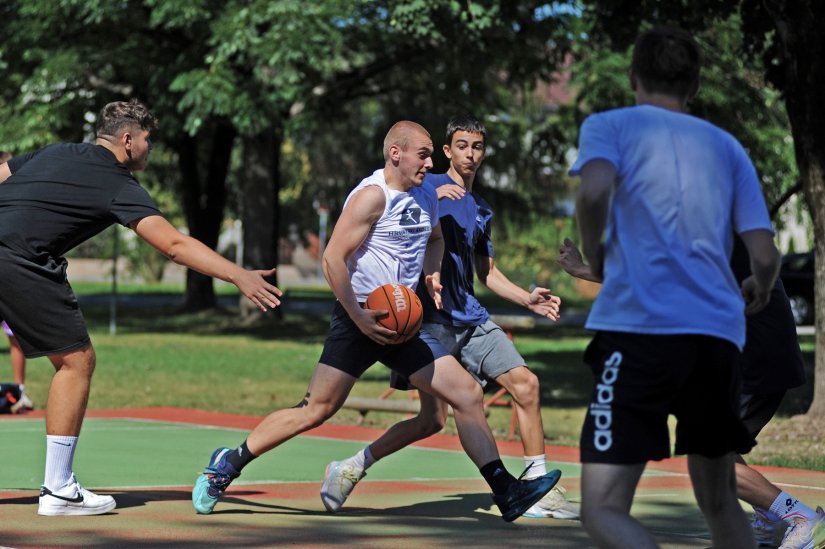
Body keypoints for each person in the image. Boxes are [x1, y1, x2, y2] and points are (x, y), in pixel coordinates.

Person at [190, 121, 561, 522]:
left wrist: (432, 274)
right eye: (423, 154)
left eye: (432, 154)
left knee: (468, 394)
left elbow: (435, 238)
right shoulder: (371, 197)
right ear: (395, 154)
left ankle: (505, 491)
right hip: (359, 316)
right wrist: (357, 316)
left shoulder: (426, 198)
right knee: (317, 408)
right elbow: (332, 259)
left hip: (403, 322)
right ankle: (228, 463)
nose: (430, 162)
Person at [0, 99, 283, 516]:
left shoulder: (58, 151)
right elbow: (173, 245)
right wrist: (237, 275)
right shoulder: (116, 182)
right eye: (148, 140)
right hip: (19, 258)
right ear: (128, 140)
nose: (151, 149)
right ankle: (58, 489)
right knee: (76, 361)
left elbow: (2, 173)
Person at [569, 27, 782, 548]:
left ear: (633, 76)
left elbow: (594, 191)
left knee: (601, 508)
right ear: (696, 83)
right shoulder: (728, 147)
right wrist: (762, 285)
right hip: (716, 339)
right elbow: (765, 253)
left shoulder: (610, 124)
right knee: (718, 502)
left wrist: (594, 255)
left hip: (639, 333)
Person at [322, 115, 579, 520]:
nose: (470, 154)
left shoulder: (480, 208)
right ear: (447, 151)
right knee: (431, 420)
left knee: (526, 384)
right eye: (462, 146)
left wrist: (526, 298)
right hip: (428, 321)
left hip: (472, 317)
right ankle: (353, 466)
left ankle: (536, 485)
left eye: (477, 147)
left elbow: (488, 273)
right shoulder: (426, 189)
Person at [558, 237, 824, 548]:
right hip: (754, 357)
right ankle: (768, 512)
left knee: (710, 458)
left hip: (754, 363)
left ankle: (800, 517)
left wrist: (582, 269)